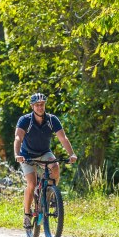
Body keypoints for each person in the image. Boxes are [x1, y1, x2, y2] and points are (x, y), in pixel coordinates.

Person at [14, 92, 77, 228]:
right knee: (32, 183)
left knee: (55, 166)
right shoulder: (25, 120)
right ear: (32, 106)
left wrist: (71, 154)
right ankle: (26, 214)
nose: (40, 107)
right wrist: (17, 154)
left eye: (42, 104)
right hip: (27, 155)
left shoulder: (52, 120)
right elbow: (18, 138)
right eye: (37, 105)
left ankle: (50, 195)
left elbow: (63, 138)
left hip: (44, 153)